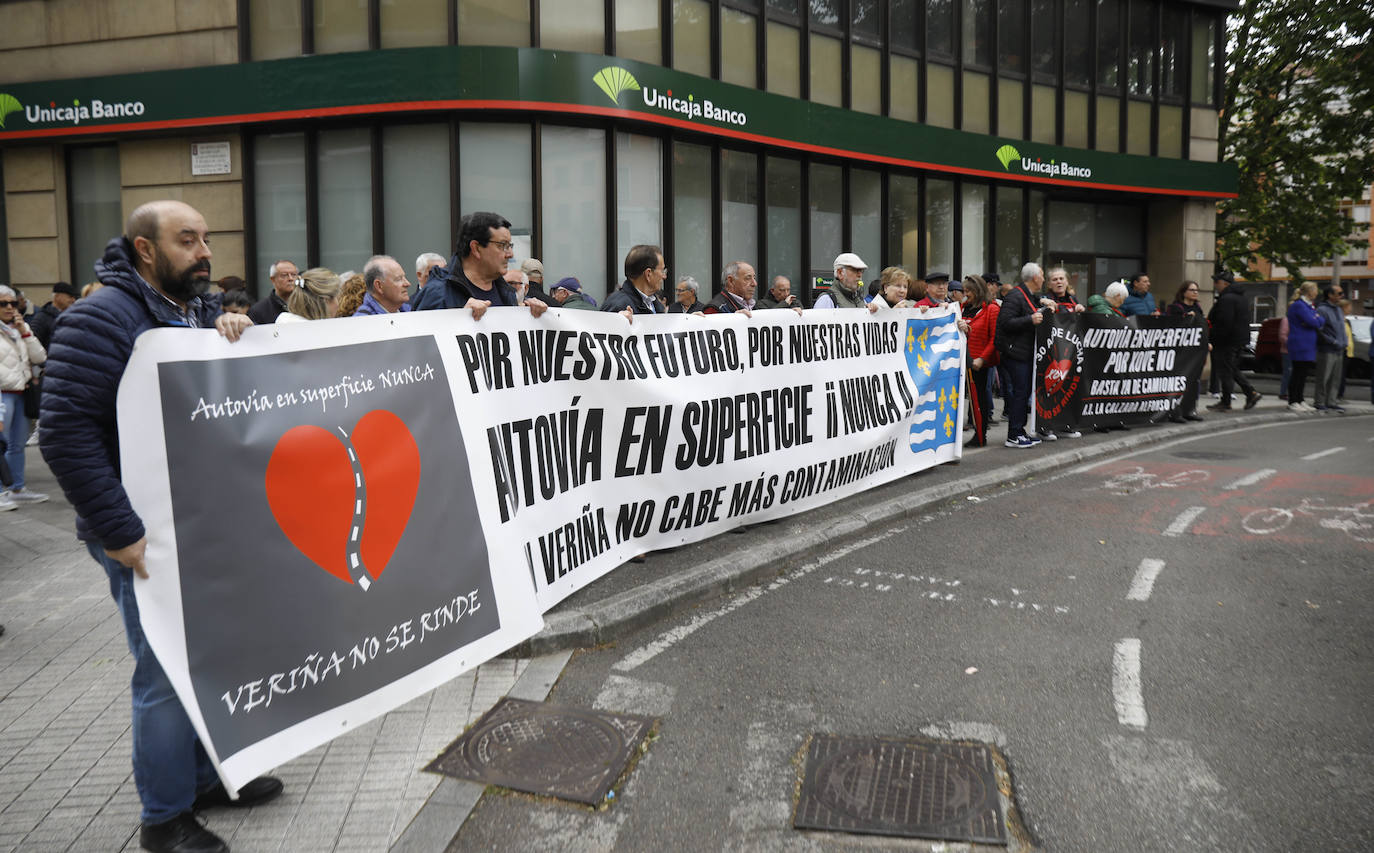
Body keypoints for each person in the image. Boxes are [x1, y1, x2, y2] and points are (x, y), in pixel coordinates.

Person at [39, 200, 276, 853]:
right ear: (144, 249)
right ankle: (165, 818)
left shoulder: (189, 309)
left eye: (206, 236)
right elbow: (61, 430)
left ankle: (205, 779)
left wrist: (230, 327)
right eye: (186, 239)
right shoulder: (100, 318)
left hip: (194, 524)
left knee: (204, 656)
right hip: (140, 532)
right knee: (165, 670)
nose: (204, 250)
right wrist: (118, 528)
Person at [413, 212, 546, 320]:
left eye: (509, 246)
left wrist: (530, 314)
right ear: (476, 248)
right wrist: (460, 318)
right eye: (502, 245)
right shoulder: (438, 293)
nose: (510, 254)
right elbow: (419, 345)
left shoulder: (507, 293)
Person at [0, 285, 47, 505]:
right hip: (3, 394)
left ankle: (17, 489)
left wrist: (25, 332)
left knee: (17, 444)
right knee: (1, 444)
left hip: (21, 392)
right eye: (3, 303)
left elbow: (39, 357)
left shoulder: (20, 328)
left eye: (13, 303)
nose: (10, 308)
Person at [995, 262, 1046, 448]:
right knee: (1019, 393)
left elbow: (1031, 305)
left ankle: (1020, 431)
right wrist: (1030, 320)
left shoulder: (1028, 295)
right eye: (1042, 275)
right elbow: (1005, 322)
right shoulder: (1016, 296)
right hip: (1015, 353)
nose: (1044, 279)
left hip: (1022, 352)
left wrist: (1043, 302)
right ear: (1034, 278)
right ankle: (1014, 435)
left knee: (1022, 393)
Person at [1206, 271, 1262, 412]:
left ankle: (1235, 398)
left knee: (1226, 370)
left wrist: (1214, 337)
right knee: (1231, 369)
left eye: (1217, 282)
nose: (1215, 285)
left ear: (1225, 283)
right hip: (1238, 340)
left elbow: (1224, 322)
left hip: (1226, 341)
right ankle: (1248, 394)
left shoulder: (1227, 299)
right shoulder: (1241, 298)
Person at [961, 275, 999, 447]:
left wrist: (982, 359)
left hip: (978, 363)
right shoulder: (962, 307)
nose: (965, 294)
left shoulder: (991, 309)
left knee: (978, 400)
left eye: (969, 290)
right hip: (961, 361)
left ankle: (980, 435)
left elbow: (994, 338)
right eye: (964, 290)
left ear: (978, 290)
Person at [1164, 280, 1206, 422]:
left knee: (1193, 381)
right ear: (1184, 292)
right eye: (1192, 290)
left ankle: (1190, 410)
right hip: (1180, 352)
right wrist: (1186, 319)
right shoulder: (1175, 308)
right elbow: (1171, 327)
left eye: (1196, 290)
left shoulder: (1198, 308)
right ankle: (1175, 412)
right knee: (1178, 381)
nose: (1195, 292)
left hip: (1195, 352)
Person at [1285, 281, 1323, 412]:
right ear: (1309, 292)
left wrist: (1316, 319)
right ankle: (1293, 400)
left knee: (1303, 374)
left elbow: (1320, 320)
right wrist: (1316, 319)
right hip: (1300, 342)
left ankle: (1300, 399)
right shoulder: (1299, 306)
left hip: (1307, 343)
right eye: (1315, 290)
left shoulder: (1308, 306)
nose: (1317, 293)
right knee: (1298, 372)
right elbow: (1313, 321)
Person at [603, 244, 669, 316]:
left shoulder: (655, 304)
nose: (664, 276)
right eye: (662, 271)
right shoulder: (619, 306)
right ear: (648, 274)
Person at [1313, 284, 1346, 413]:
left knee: (1335, 378)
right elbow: (1319, 330)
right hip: (1327, 349)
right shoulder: (1322, 310)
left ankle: (1331, 401)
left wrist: (1344, 341)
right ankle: (1320, 401)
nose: (1342, 296)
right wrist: (1332, 341)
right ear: (1330, 295)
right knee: (1323, 377)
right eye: (1339, 293)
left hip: (1339, 349)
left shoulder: (1338, 309)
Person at [277, 268, 343, 322]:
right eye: (337, 297)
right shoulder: (321, 335)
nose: (338, 304)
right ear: (325, 300)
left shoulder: (283, 323)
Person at [29, 280, 80, 349]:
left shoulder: (72, 316)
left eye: (74, 297)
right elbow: (34, 343)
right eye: (70, 296)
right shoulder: (42, 318)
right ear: (57, 296)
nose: (73, 300)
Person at [247, 258, 299, 325]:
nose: (290, 278)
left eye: (294, 275)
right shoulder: (259, 310)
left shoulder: (307, 305)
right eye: (284, 275)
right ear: (273, 279)